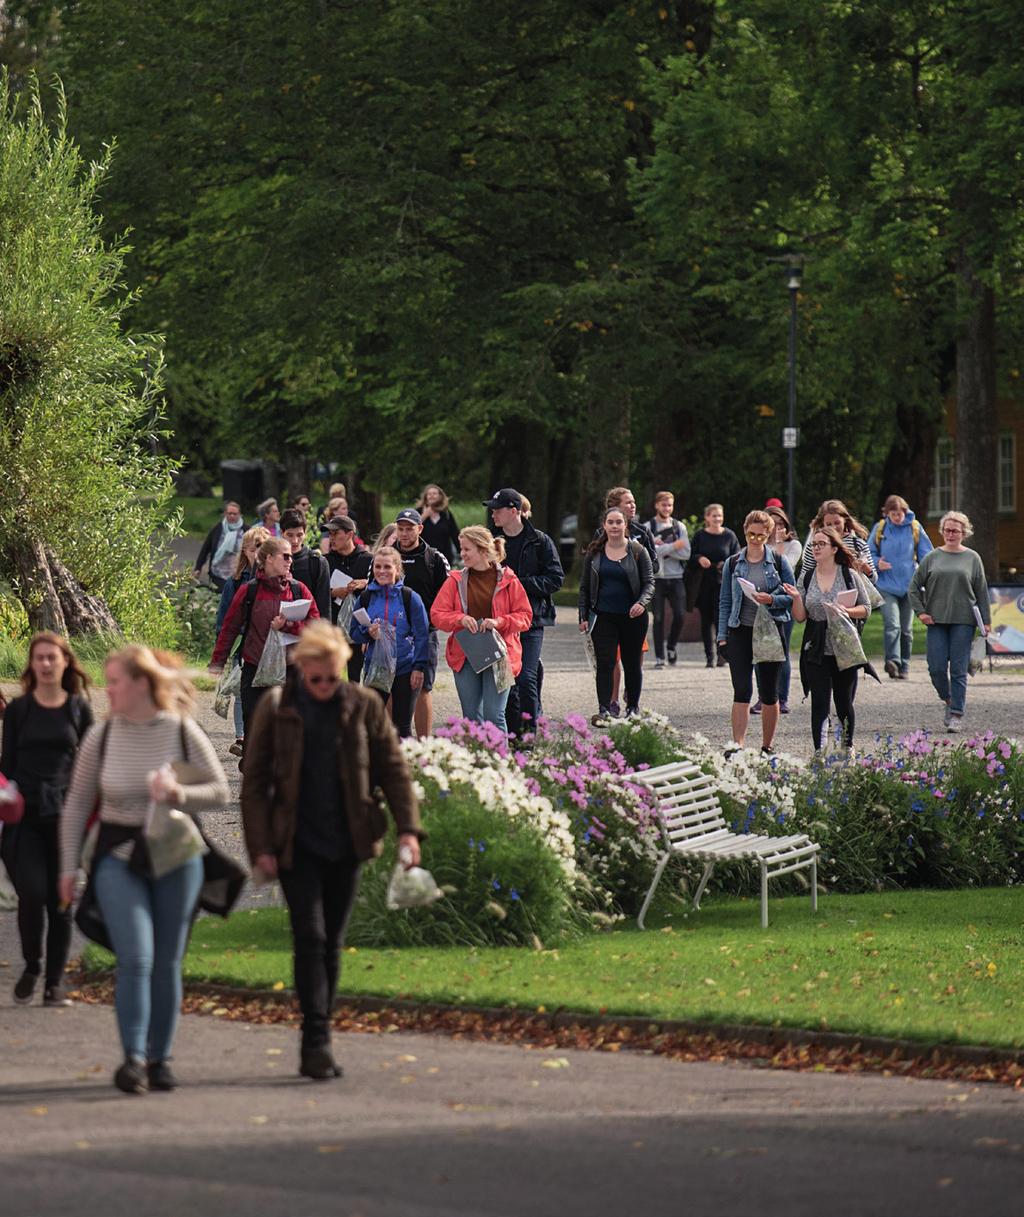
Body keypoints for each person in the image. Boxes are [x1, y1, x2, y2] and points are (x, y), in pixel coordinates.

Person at [240, 621, 422, 1080]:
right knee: (310, 937)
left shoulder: (362, 707)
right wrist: (260, 847)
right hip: (295, 841)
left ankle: (321, 1030)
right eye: (315, 678)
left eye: (332, 678)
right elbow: (255, 783)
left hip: (347, 840)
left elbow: (393, 770)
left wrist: (408, 831)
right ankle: (314, 1037)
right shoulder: (277, 708)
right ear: (301, 669)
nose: (323, 687)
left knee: (334, 943)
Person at [58, 647, 230, 1094]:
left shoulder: (180, 731)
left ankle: (160, 1058)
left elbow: (219, 792)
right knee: (136, 957)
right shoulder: (103, 735)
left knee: (167, 961)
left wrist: (177, 792)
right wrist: (66, 867)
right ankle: (132, 1058)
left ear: (140, 684)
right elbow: (77, 803)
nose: (107, 689)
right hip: (117, 856)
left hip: (176, 855)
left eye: (114, 681)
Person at [0, 633, 93, 1008]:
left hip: (66, 818)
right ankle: (33, 966)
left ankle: (54, 983)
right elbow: (7, 766)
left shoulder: (78, 709)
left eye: (52, 657)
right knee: (32, 894)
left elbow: (89, 765)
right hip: (26, 817)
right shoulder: (20, 710)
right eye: (39, 658)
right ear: (32, 664)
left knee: (61, 901)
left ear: (65, 662)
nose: (45, 664)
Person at [209, 536, 320, 740]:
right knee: (254, 727)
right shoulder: (249, 590)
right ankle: (252, 769)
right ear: (269, 558)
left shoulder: (298, 589)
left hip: (290, 669)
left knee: (288, 728)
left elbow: (316, 627)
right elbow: (229, 627)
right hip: (255, 667)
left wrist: (287, 626)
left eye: (291, 557)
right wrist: (218, 661)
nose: (290, 561)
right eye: (285, 556)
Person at [430, 526, 532, 733]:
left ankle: (499, 763)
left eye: (467, 549)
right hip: (465, 654)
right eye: (461, 549)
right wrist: (460, 618)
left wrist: (500, 622)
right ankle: (477, 763)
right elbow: (437, 614)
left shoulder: (509, 580)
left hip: (500, 654)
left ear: (483, 550)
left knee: (494, 716)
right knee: (471, 718)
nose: (462, 554)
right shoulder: (455, 580)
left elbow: (525, 617)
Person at [717, 510, 797, 756]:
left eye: (761, 536)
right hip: (740, 630)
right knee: (741, 689)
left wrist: (771, 598)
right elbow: (725, 601)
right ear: (744, 530)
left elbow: (791, 597)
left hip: (770, 631)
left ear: (768, 534)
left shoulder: (779, 561)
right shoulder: (733, 563)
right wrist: (722, 635)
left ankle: (767, 745)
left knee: (769, 692)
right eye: (751, 534)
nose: (755, 539)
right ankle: (738, 744)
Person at [485, 487, 563, 739]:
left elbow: (555, 579)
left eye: (497, 509)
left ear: (514, 511)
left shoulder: (540, 541)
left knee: (526, 677)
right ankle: (514, 735)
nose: (493, 514)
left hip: (531, 620)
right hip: (499, 622)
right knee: (506, 680)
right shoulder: (491, 543)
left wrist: (518, 583)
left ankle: (530, 734)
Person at [790, 525, 875, 751]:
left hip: (844, 645)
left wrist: (846, 611)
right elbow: (799, 617)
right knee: (819, 701)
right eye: (814, 544)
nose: (816, 548)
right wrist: (796, 598)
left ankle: (847, 746)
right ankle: (819, 749)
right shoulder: (806, 577)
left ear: (834, 548)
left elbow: (866, 608)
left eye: (821, 544)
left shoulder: (849, 574)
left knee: (844, 701)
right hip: (816, 646)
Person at [909, 510, 990, 733]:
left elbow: (981, 591)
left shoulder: (973, 558)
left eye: (955, 530)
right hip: (936, 620)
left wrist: (986, 621)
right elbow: (914, 588)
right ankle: (948, 699)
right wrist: (921, 612)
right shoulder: (932, 557)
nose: (951, 534)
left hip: (964, 621)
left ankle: (956, 714)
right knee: (935, 667)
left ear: (964, 532)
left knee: (958, 669)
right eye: (947, 530)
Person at [578, 507, 655, 724]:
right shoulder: (594, 553)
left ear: (625, 525)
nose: (614, 526)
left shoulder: (638, 551)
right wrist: (583, 615)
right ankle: (604, 709)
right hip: (603, 616)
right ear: (604, 525)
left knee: (632, 664)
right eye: (610, 522)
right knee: (605, 663)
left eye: (618, 522)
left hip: (633, 617)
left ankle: (633, 708)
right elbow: (584, 587)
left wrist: (641, 603)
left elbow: (649, 582)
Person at [349, 546, 430, 738]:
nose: (382, 571)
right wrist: (367, 632)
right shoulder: (366, 597)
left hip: (404, 668)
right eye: (378, 567)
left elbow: (422, 634)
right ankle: (376, 766)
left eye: (387, 567)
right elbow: (353, 631)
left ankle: (404, 766)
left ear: (397, 569)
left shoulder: (409, 597)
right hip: (375, 668)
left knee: (402, 726)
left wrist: (418, 667)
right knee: (372, 723)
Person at [215, 525, 270, 756]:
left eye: (262, 547)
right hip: (245, 646)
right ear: (245, 552)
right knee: (242, 691)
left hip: (271, 648)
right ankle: (242, 736)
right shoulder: (236, 582)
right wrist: (222, 652)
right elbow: (224, 620)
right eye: (253, 548)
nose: (257, 553)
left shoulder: (280, 581)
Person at [395, 509, 451, 737]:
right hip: (392, 633)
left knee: (422, 687)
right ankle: (393, 742)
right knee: (390, 688)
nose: (405, 533)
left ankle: (425, 744)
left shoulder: (435, 558)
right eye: (401, 529)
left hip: (423, 632)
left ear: (420, 529)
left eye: (410, 529)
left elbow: (447, 595)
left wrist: (432, 621)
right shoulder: (385, 555)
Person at [868, 494, 934, 680]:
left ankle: (904, 664)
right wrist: (876, 562)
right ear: (887, 513)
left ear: (906, 512)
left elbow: (926, 555)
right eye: (893, 513)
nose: (897, 517)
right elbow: (868, 553)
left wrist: (928, 577)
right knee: (892, 624)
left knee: (906, 629)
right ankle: (893, 661)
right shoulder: (880, 528)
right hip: (886, 585)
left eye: (900, 513)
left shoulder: (915, 528)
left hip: (909, 586)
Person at [751, 506, 802, 715]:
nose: (776, 528)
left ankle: (782, 697)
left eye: (780, 524)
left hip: (782, 602)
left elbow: (784, 568)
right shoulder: (759, 544)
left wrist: (779, 543)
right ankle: (764, 697)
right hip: (760, 603)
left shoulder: (793, 545)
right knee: (761, 652)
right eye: (773, 524)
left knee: (782, 650)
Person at [688, 504, 741, 668]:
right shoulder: (700, 536)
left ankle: (721, 654)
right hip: (704, 583)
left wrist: (727, 563)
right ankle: (709, 656)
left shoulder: (730, 536)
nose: (717, 519)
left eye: (719, 516)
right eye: (714, 516)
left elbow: (737, 557)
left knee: (721, 619)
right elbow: (690, 558)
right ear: (707, 518)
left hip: (722, 582)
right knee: (706, 620)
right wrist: (699, 558)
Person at [324, 515, 372, 684]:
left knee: (354, 679)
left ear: (350, 534)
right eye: (329, 534)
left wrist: (366, 583)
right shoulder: (325, 561)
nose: (331, 538)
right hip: (331, 630)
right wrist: (332, 592)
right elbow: (314, 592)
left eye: (335, 533)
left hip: (358, 630)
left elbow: (384, 587)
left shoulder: (368, 559)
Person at [644, 491, 690, 669]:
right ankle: (659, 657)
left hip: (676, 577)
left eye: (670, 505)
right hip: (657, 578)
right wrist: (673, 546)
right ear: (657, 505)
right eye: (664, 505)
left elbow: (686, 553)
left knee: (680, 615)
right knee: (658, 618)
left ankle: (671, 645)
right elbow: (649, 553)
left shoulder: (680, 527)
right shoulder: (648, 526)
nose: (667, 508)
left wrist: (662, 546)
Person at [801, 500, 877, 581]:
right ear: (823, 524)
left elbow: (874, 579)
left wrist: (866, 568)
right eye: (829, 524)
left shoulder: (858, 544)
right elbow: (804, 578)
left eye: (837, 523)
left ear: (844, 520)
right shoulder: (814, 546)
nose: (834, 527)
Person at [281, 507, 331, 621]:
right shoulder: (270, 560)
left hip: (308, 629)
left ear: (305, 533)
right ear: (281, 533)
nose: (295, 541)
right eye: (290, 535)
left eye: (299, 535)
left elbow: (324, 606)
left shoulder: (317, 562)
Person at [192, 502, 245, 590]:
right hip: (218, 573)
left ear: (239, 515)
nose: (232, 516)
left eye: (235, 514)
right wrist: (198, 567)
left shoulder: (246, 530)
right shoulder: (218, 528)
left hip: (238, 574)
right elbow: (206, 548)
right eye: (229, 513)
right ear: (225, 514)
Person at [416, 484, 461, 565]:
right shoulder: (418, 512)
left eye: (434, 493)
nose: (431, 496)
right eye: (429, 494)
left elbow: (455, 534)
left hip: (444, 558)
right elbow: (411, 529)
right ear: (426, 497)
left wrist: (461, 553)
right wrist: (424, 516)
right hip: (423, 557)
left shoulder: (446, 514)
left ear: (440, 496)